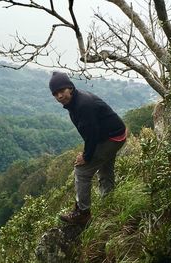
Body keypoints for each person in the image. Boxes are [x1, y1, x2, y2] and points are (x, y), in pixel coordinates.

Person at [49, 71, 127, 225]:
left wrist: (86, 156)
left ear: (70, 88)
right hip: (114, 134)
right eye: (55, 93)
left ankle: (83, 213)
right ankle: (108, 203)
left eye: (61, 91)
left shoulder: (83, 105)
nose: (59, 96)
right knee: (105, 169)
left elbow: (91, 134)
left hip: (111, 138)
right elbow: (91, 132)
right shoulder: (75, 102)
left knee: (82, 171)